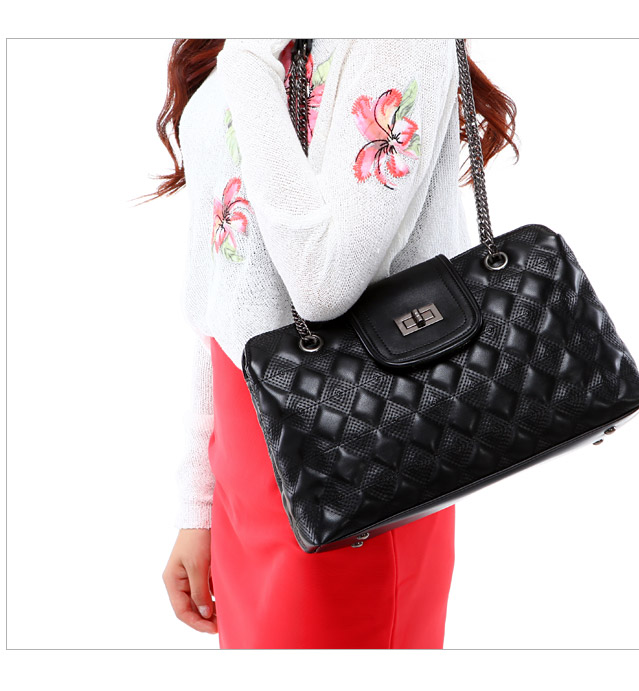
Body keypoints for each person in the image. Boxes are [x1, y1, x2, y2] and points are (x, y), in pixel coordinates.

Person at [142, 38, 518, 649]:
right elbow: (223, 291)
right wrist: (198, 505)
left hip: (359, 447)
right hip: (244, 460)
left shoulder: (396, 39)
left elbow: (323, 284)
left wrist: (247, 56)